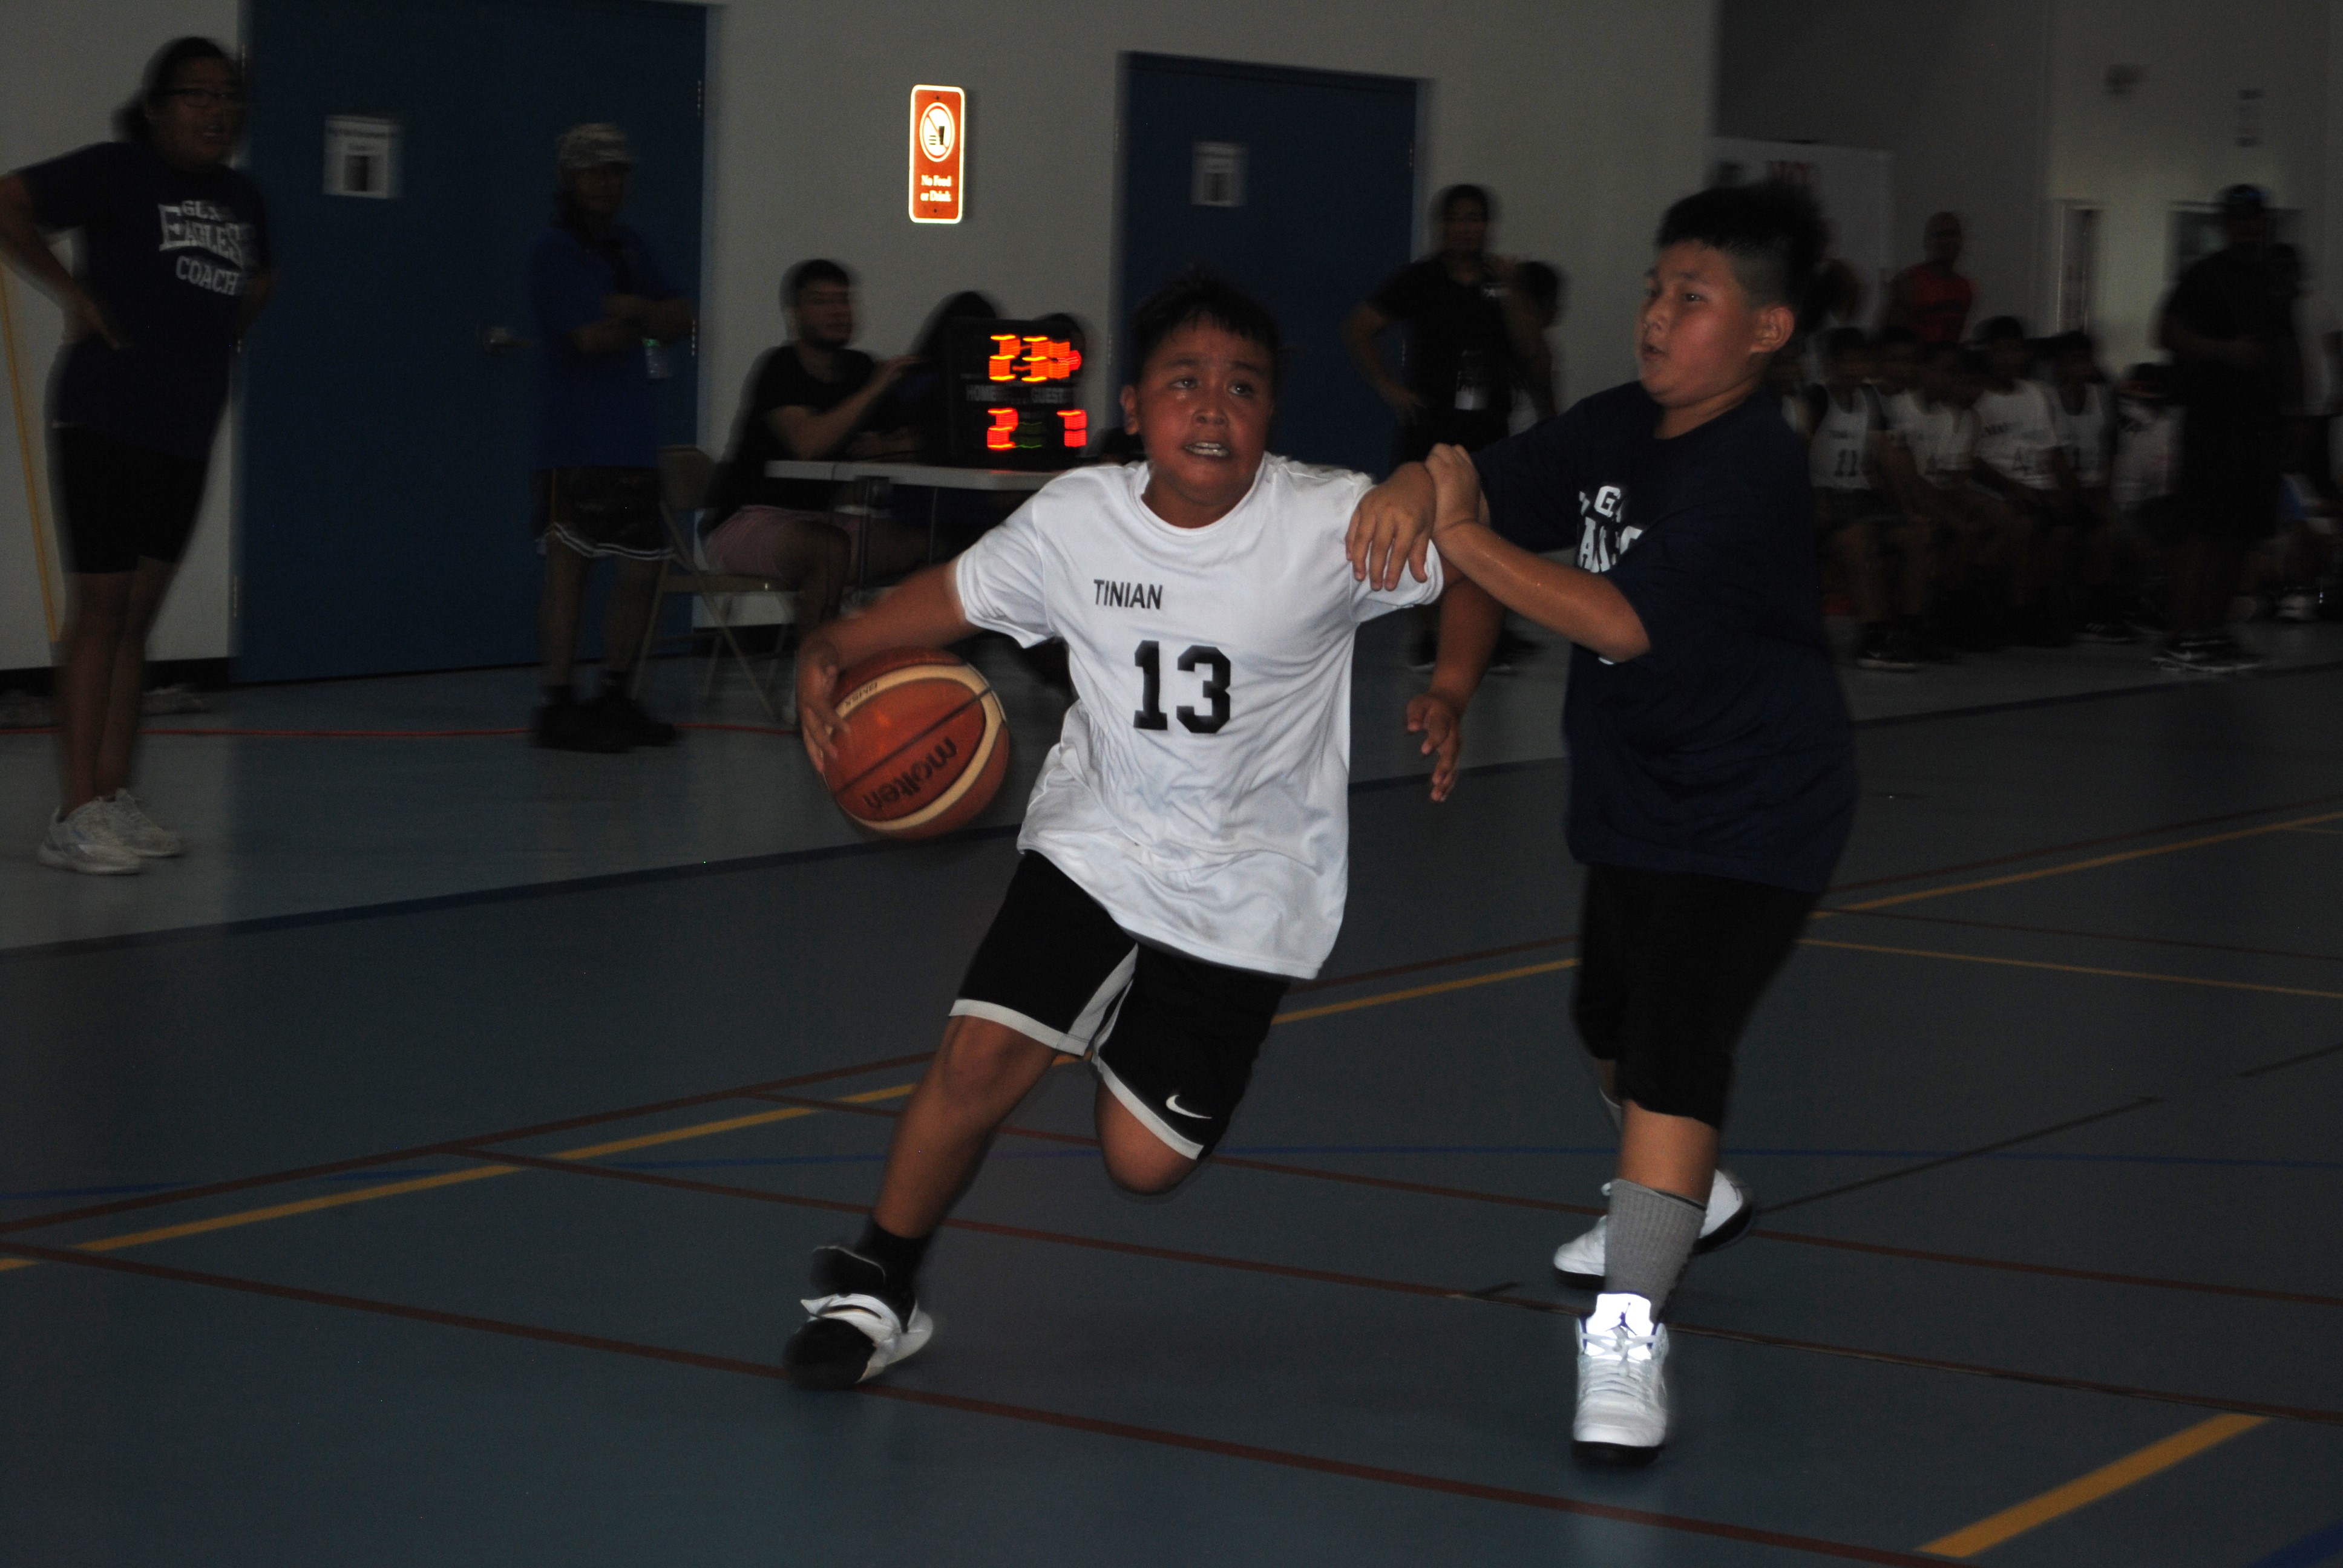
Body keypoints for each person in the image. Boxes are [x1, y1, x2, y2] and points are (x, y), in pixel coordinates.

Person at [778, 272, 1445, 1391]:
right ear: (1134, 405)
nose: (1213, 408)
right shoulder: (1076, 519)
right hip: (1098, 840)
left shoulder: (1327, 519)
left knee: (1141, 1164)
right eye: (1185, 384)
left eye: (1242, 387)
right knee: (978, 1053)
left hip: (1250, 882)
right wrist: (837, 644)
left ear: (1271, 412)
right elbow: (954, 595)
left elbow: (1461, 558)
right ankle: (878, 1281)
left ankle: (1120, 1021)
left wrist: (1458, 679)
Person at [1358, 180, 1856, 1464]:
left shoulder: (1749, 464)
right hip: (1636, 793)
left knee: (1675, 1048)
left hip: (1755, 806)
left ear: (1763, 330)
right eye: (1653, 287)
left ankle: (1629, 1330)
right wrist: (1429, 524)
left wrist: (1457, 531)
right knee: (1609, 1030)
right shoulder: (1615, 426)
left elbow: (1612, 616)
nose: (1655, 316)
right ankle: (1691, 1199)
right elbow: (1477, 485)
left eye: (1693, 299)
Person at [0, 38, 272, 874]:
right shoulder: (119, 169)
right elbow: (8, 200)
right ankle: (74, 814)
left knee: (137, 624)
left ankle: (114, 798)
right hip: (106, 421)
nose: (215, 110)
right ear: (156, 108)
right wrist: (73, 291)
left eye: (228, 96)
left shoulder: (243, 198)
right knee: (101, 615)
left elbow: (258, 285)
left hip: (183, 432)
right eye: (196, 95)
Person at [527, 123, 695, 751]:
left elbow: (680, 318)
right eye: (596, 171)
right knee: (570, 566)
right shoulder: (553, 251)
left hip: (630, 434)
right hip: (572, 437)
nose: (608, 183)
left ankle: (618, 693)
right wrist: (642, 317)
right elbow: (587, 338)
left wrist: (633, 314)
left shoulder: (632, 244)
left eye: (618, 171)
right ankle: (558, 700)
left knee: (642, 570)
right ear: (570, 178)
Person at [701, 258, 930, 717]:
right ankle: (811, 696)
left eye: (843, 300)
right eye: (821, 302)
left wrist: (885, 436)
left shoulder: (860, 367)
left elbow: (904, 446)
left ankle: (920, 682)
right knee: (828, 551)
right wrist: (872, 394)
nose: (836, 311)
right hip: (747, 520)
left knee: (929, 542)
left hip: (824, 522)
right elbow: (808, 444)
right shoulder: (779, 368)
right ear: (795, 314)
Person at [1345, 185, 1543, 669]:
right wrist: (1392, 389)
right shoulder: (1420, 280)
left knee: (1490, 530)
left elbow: (1530, 345)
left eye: (1475, 219)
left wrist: (1512, 288)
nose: (1466, 228)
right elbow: (1360, 328)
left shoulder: (1498, 284)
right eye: (1457, 219)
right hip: (1431, 425)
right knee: (1429, 530)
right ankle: (1427, 636)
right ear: (1442, 226)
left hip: (1488, 426)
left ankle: (1489, 636)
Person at [2155, 183, 2296, 673]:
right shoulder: (2204, 275)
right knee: (2203, 530)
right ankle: (2182, 635)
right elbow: (2167, 330)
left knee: (2240, 533)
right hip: (2215, 422)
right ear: (2223, 223)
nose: (2246, 225)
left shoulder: (2271, 279)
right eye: (2237, 218)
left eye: (2254, 217)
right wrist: (2222, 351)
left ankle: (2212, 631)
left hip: (2259, 426)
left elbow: (2283, 348)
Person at [1805, 328, 1922, 670]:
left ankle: (1908, 629)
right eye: (1845, 361)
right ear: (1830, 366)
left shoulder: (1872, 400)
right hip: (1825, 503)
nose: (1854, 369)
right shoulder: (1817, 399)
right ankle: (1872, 639)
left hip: (1862, 499)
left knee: (1918, 536)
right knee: (1858, 541)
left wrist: (1907, 510)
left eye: (1860, 360)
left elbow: (1886, 458)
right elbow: (1797, 453)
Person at [1969, 316, 2079, 644]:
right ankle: (2020, 612)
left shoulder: (2037, 394)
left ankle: (2046, 608)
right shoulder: (1976, 397)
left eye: (2013, 350)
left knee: (2066, 528)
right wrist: (2013, 488)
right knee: (2025, 524)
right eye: (1999, 351)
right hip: (1997, 487)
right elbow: (1969, 458)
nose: (2007, 359)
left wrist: (2069, 491)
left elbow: (2052, 451)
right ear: (1987, 352)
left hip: (2038, 485)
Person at [2048, 333, 2135, 642]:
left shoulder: (2103, 395)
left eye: (2085, 359)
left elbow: (2111, 446)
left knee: (2116, 530)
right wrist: (2081, 493)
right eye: (2073, 360)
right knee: (2091, 530)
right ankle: (2080, 612)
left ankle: (2102, 610)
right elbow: (2051, 456)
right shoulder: (2047, 399)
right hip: (2059, 488)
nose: (2081, 367)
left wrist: (2104, 487)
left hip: (2093, 487)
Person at [1881, 211, 1974, 347]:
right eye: (1942, 235)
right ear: (1929, 241)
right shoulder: (1910, 282)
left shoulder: (1965, 287)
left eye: (1953, 235)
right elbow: (1888, 336)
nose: (1948, 241)